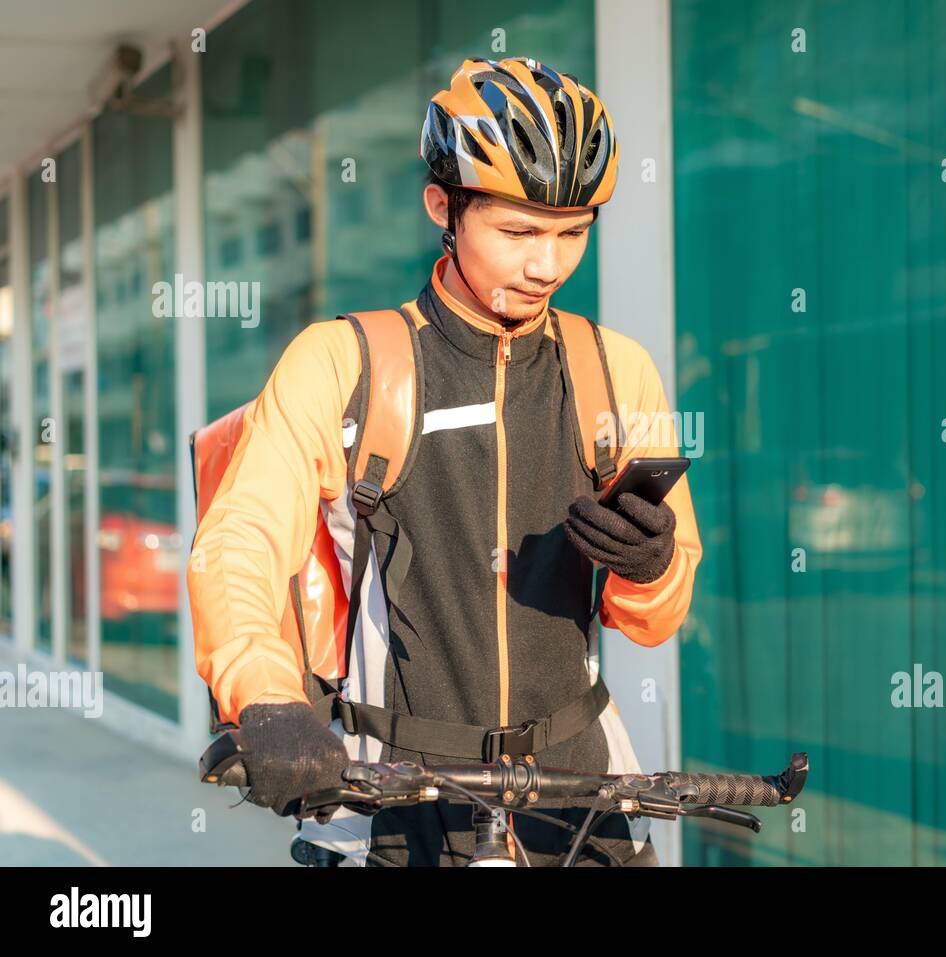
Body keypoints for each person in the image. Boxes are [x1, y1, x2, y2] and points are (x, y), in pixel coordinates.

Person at [187, 56, 702, 866]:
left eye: (573, 232)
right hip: (389, 799)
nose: (548, 264)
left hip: (582, 795)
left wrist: (653, 565)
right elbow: (239, 541)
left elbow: (655, 618)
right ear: (443, 207)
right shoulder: (345, 364)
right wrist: (267, 697)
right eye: (518, 232)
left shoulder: (616, 369)